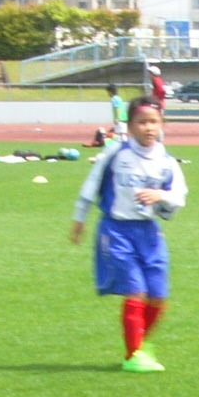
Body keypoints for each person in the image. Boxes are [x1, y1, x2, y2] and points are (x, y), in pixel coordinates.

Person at [70, 98, 187, 372]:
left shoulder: (167, 162)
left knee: (158, 297)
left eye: (153, 122)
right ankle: (133, 355)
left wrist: (161, 195)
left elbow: (180, 196)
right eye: (142, 122)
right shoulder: (116, 154)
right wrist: (80, 219)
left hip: (150, 234)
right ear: (130, 126)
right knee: (136, 292)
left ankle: (141, 343)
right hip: (117, 230)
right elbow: (91, 185)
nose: (148, 128)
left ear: (162, 125)